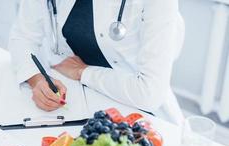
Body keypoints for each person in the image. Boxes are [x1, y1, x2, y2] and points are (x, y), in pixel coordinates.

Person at [9, 0, 185, 122]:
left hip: (136, 113)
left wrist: (83, 72)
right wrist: (36, 79)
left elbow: (149, 93)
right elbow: (23, 36)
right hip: (75, 104)